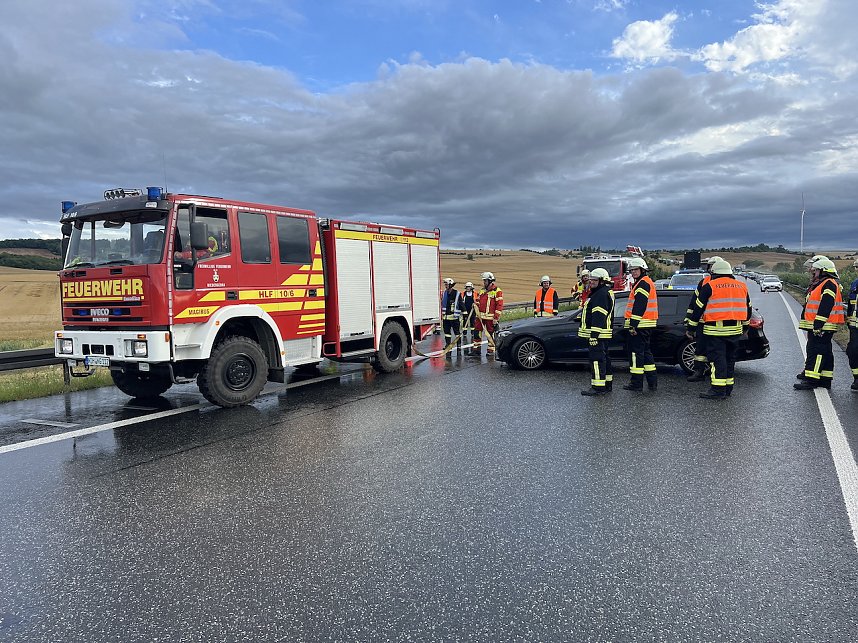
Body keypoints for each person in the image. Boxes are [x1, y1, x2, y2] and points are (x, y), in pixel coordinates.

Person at [686, 259, 751, 400]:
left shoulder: (709, 286)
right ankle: (728, 388)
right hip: (735, 331)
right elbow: (748, 308)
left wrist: (691, 328)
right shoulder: (742, 286)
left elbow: (698, 309)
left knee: (717, 360)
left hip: (715, 331)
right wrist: (745, 327)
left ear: (714, 273)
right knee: (729, 359)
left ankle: (717, 390)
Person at [794, 258, 846, 390]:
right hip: (824, 325)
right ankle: (825, 379)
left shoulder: (828, 284)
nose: (813, 272)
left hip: (822, 325)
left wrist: (818, 323)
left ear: (823, 271)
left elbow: (826, 304)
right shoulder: (826, 283)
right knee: (826, 352)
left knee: (816, 351)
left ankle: (812, 380)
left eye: (816, 270)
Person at [684, 256, 723, 382]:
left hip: (717, 323)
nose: (711, 269)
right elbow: (694, 303)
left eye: (713, 266)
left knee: (716, 351)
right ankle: (699, 372)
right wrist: (688, 320)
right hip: (702, 322)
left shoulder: (723, 285)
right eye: (710, 266)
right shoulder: (704, 282)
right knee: (700, 350)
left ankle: (716, 375)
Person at [623, 258, 658, 392]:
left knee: (636, 355)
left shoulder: (642, 284)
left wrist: (633, 325)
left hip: (640, 325)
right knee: (646, 354)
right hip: (646, 324)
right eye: (632, 270)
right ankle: (652, 382)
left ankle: (636, 384)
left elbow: (639, 305)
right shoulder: (645, 282)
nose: (633, 272)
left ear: (642, 270)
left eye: (636, 270)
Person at [580, 268, 615, 396]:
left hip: (598, 334)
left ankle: (598, 387)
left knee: (596, 360)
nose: (591, 282)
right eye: (591, 279)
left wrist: (593, 335)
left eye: (595, 280)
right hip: (603, 333)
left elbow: (599, 316)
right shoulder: (603, 292)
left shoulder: (600, 294)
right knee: (604, 359)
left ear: (602, 281)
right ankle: (607, 384)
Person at [470, 272, 503, 356]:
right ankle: (476, 349)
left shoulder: (497, 291)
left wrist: (496, 318)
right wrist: (475, 304)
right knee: (477, 332)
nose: (484, 282)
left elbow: (499, 305)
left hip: (490, 318)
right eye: (483, 281)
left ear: (490, 281)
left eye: (485, 281)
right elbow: (478, 301)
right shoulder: (482, 290)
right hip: (480, 317)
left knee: (490, 334)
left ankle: (491, 350)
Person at [440, 277, 462, 356]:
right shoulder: (444, 293)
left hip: (454, 317)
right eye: (445, 284)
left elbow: (461, 304)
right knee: (447, 333)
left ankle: (459, 345)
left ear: (451, 285)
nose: (445, 286)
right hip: (446, 318)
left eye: (447, 284)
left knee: (457, 333)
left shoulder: (456, 293)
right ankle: (448, 344)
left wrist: (465, 313)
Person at [846, 258, 858, 391]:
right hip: (855, 327)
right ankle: (857, 378)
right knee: (852, 351)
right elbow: (850, 305)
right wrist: (849, 320)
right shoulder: (855, 284)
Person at [459, 281, 476, 348]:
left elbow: (477, 301)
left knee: (472, 321)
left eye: (469, 287)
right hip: (465, 310)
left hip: (472, 310)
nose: (468, 288)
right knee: (465, 321)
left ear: (471, 288)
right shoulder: (463, 294)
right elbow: (461, 302)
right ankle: (465, 332)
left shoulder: (474, 294)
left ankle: (472, 332)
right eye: (467, 287)